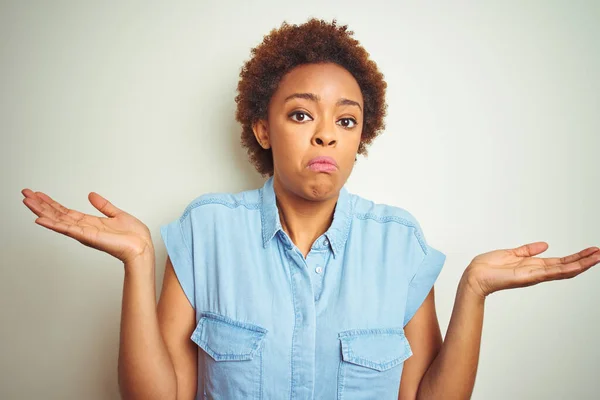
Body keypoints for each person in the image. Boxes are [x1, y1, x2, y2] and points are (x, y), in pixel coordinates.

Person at [21, 18, 599, 400]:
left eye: (346, 120)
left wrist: (472, 289)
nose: (326, 135)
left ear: (360, 137)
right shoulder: (207, 230)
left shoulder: (399, 244)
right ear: (262, 129)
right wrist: (139, 261)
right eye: (301, 114)